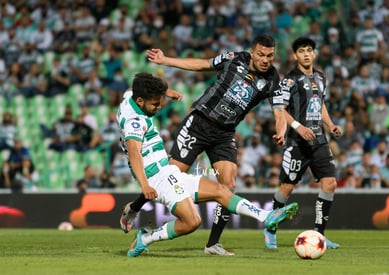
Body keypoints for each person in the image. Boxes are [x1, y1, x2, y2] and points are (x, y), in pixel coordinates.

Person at [121, 35, 288, 256]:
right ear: (252, 51)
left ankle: (212, 244)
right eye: (261, 54)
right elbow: (202, 64)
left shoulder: (272, 79)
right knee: (170, 175)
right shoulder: (234, 58)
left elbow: (279, 112)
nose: (265, 60)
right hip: (198, 124)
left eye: (269, 55)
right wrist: (165, 60)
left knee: (228, 184)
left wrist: (281, 130)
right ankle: (134, 207)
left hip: (224, 134)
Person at [264, 37, 342, 250]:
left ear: (314, 54)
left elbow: (320, 104)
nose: (306, 54)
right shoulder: (289, 80)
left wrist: (330, 125)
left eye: (309, 50)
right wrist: (298, 126)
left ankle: (319, 235)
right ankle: (270, 228)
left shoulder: (320, 76)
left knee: (330, 183)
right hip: (297, 142)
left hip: (319, 141)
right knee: (287, 187)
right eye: (301, 51)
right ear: (295, 56)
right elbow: (281, 110)